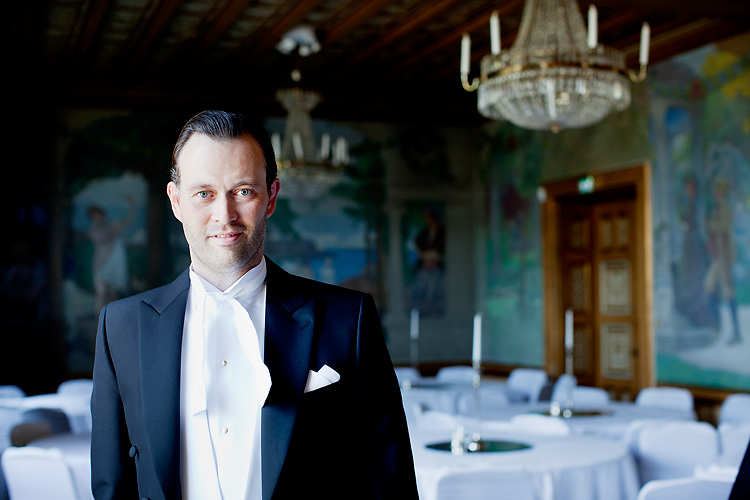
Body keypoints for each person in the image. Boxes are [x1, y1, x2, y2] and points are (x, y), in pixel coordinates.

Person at [90, 110, 418, 500]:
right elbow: (112, 486)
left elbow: (390, 483)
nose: (224, 215)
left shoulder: (349, 319)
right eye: (204, 193)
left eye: (243, 191)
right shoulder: (121, 327)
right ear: (176, 202)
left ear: (271, 197)